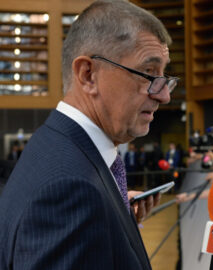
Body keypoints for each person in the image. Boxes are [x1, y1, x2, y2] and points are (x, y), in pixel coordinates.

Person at [0, 0, 176, 268]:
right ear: (88, 75)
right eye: (148, 73)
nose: (163, 95)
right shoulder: (71, 191)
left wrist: (111, 213)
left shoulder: (54, 144)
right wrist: (92, 208)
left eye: (165, 77)